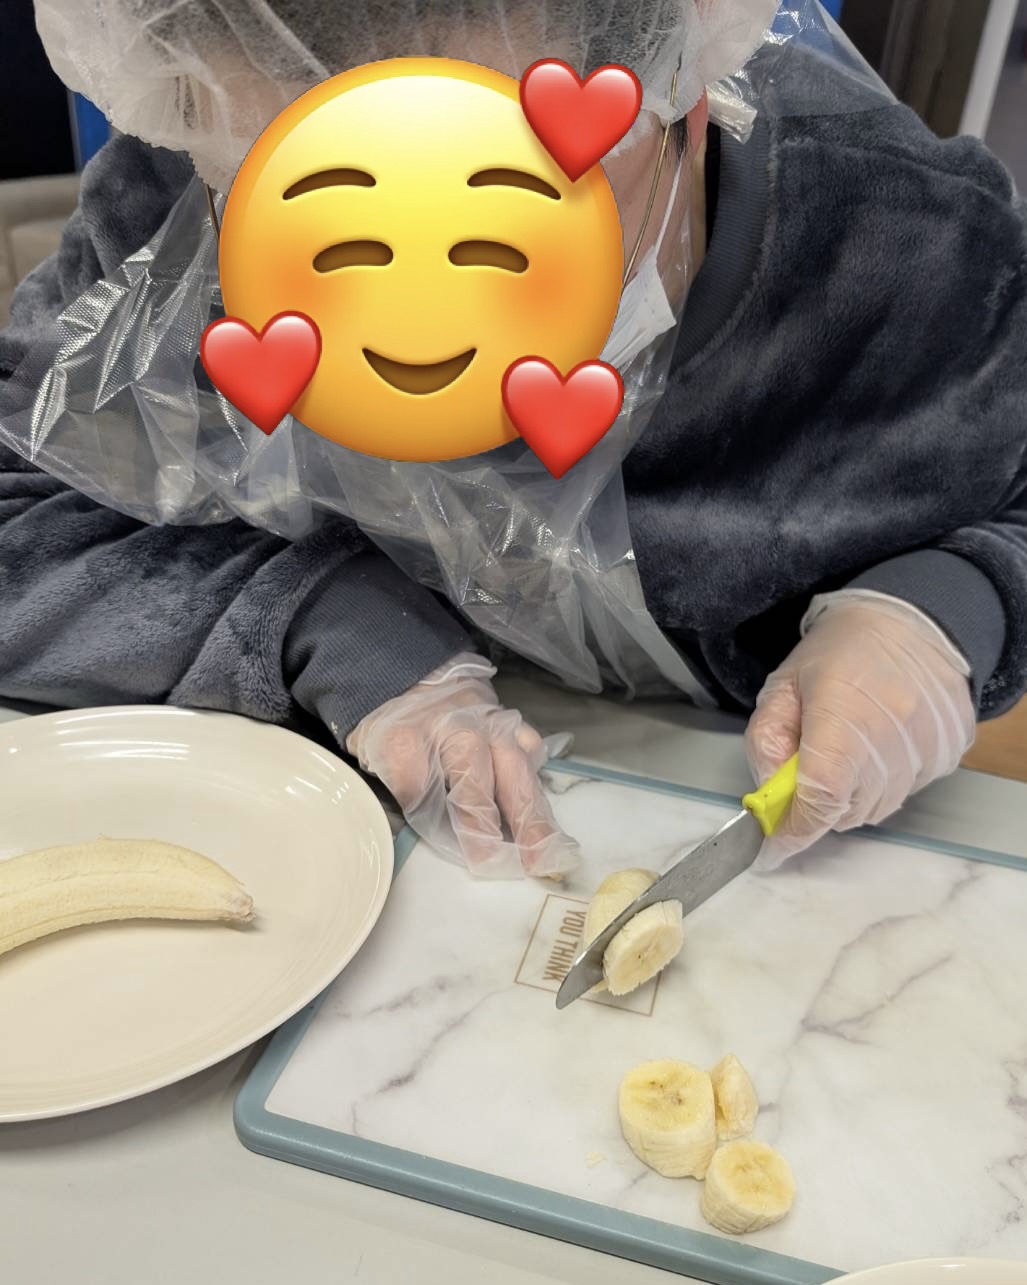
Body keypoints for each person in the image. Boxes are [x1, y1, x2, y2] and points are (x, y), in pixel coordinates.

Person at [0, 0, 1024, 878]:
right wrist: (326, 623)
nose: (414, 315)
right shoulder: (172, 212)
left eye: (499, 215)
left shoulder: (902, 240)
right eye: (317, 220)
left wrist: (934, 611)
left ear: (683, 103)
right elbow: (23, 508)